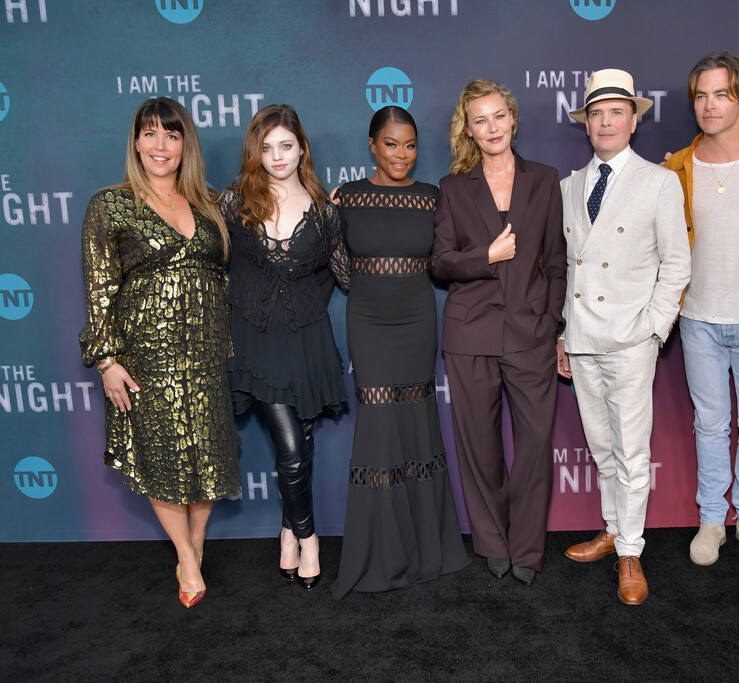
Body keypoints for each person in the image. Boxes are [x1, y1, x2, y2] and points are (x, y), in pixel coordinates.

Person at [80, 97, 240, 608]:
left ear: (185, 143)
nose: (161, 145)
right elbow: (99, 288)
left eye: (171, 135)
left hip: (207, 352)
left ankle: (195, 543)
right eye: (150, 133)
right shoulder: (111, 205)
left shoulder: (210, 202)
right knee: (163, 457)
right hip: (148, 357)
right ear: (135, 142)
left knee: (209, 456)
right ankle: (187, 558)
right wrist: (107, 361)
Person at [559, 69, 690, 605]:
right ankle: (613, 530)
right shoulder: (569, 186)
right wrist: (563, 334)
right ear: (586, 123)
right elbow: (569, 268)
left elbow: (676, 265)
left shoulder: (659, 182)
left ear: (634, 121)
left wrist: (654, 329)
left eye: (616, 112)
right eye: (597, 113)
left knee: (633, 451)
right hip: (583, 338)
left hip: (632, 338)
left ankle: (632, 550)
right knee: (602, 446)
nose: (606, 121)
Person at [430, 80, 567, 586]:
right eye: (480, 120)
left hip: (530, 335)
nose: (491, 128)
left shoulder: (544, 179)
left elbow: (557, 263)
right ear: (468, 130)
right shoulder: (454, 187)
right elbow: (440, 263)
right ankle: (492, 542)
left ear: (512, 118)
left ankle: (528, 549)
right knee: (479, 448)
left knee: (534, 446)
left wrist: (550, 324)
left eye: (498, 116)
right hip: (470, 334)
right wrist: (485, 257)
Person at [331, 106, 469, 598]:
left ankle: (425, 550)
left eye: (410, 145)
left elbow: (444, 260)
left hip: (416, 320)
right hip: (369, 322)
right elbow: (341, 270)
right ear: (372, 145)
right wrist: (327, 217)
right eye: (391, 144)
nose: (401, 154)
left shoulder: (432, 198)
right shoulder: (346, 197)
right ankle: (380, 554)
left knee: (415, 423)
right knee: (378, 426)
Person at [220, 104, 349, 590]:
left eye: (286, 146)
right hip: (255, 341)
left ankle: (287, 534)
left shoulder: (324, 211)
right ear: (255, 152)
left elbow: (347, 276)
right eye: (267, 147)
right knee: (292, 450)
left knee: (304, 444)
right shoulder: (234, 202)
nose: (277, 156)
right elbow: (207, 259)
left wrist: (355, 215)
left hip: (307, 339)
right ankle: (310, 539)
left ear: (302, 149)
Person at [663, 53, 739, 568]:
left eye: (722, 94)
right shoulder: (675, 168)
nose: (709, 105)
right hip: (697, 319)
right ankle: (712, 519)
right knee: (710, 425)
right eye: (701, 95)